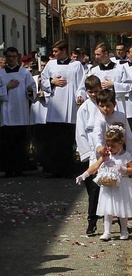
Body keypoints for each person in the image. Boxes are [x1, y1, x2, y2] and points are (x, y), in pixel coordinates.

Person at [75, 123, 132, 241]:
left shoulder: (126, 155)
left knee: (122, 208)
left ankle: (124, 230)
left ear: (120, 143)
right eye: (108, 145)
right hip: (108, 186)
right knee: (107, 209)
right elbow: (95, 166)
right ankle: (107, 232)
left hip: (121, 185)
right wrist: (84, 175)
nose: (109, 148)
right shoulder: (106, 155)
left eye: (112, 146)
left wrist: (124, 169)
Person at [40, 40, 86, 177]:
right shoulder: (50, 64)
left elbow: (81, 84)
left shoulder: (76, 65)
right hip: (54, 107)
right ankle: (54, 169)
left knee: (67, 140)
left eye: (56, 51)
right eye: (53, 51)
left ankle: (68, 169)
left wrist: (80, 95)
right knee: (54, 140)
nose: (53, 54)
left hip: (70, 106)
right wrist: (51, 82)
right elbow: (43, 80)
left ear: (64, 50)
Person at [74, 75, 104, 236]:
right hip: (90, 150)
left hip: (105, 150)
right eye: (90, 92)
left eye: (96, 91)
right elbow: (80, 133)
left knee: (105, 187)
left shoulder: (105, 105)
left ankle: (100, 219)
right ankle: (93, 220)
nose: (93, 94)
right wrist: (86, 154)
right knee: (92, 188)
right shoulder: (83, 108)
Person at [0, 47, 36, 177]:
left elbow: (32, 87)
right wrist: (7, 88)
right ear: (5, 57)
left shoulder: (24, 73)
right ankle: (8, 168)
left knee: (20, 142)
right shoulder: (1, 74)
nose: (11, 59)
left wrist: (31, 91)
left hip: (20, 112)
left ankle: (20, 167)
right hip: (6, 114)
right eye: (9, 56)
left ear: (17, 57)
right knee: (7, 143)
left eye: (14, 56)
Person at [88, 43, 132, 114]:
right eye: (95, 54)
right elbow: (89, 87)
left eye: (98, 54)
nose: (96, 57)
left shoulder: (120, 68)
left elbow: (129, 86)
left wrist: (114, 85)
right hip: (100, 107)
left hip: (117, 105)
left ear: (106, 54)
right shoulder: (94, 71)